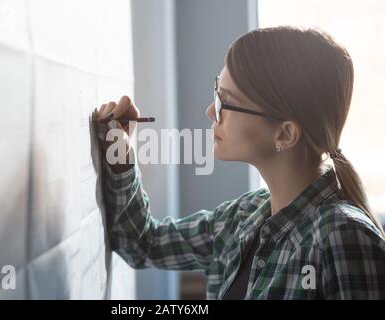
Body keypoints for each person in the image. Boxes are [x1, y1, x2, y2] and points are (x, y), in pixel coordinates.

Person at [94, 25, 385, 300]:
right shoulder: (243, 216)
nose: (211, 111)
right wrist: (120, 153)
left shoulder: (344, 237)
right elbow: (142, 243)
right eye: (216, 92)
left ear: (284, 133)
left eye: (226, 102)